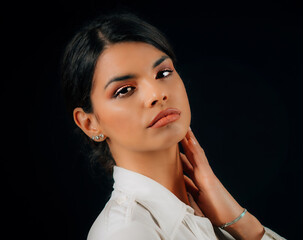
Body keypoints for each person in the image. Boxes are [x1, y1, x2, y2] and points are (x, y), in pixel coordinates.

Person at [61, 12, 285, 240]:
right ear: (89, 124)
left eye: (163, 73)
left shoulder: (212, 211)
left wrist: (239, 221)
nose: (157, 94)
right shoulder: (125, 232)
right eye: (125, 90)